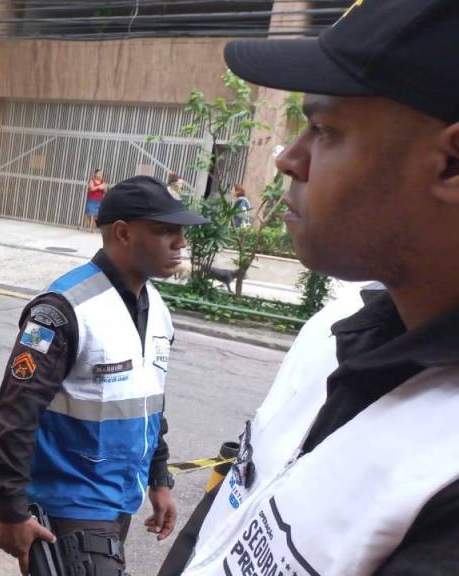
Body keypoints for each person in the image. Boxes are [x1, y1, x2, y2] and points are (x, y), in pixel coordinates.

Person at [160, 1, 459, 574]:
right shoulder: (331, 335)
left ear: (450, 164)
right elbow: (229, 511)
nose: (289, 159)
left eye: (323, 130)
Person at [0, 176, 209, 575]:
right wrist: (12, 510)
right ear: (122, 233)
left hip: (120, 498)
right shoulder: (62, 310)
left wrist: (159, 479)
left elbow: (149, 401)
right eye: (165, 231)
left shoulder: (156, 307)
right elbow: (16, 413)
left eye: (181, 232)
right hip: (68, 503)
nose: (181, 242)